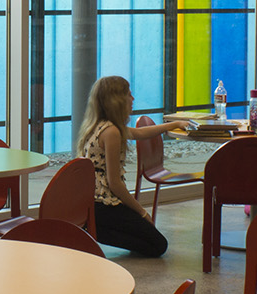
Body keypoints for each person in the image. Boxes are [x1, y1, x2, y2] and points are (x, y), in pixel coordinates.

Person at [75, 75, 190, 257]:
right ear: (117, 101)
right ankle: (94, 231)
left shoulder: (100, 125)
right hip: (103, 205)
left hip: (91, 202)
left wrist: (173, 125)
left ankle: (93, 227)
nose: (133, 99)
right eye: (129, 95)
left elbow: (140, 133)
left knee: (148, 236)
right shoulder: (112, 132)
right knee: (158, 245)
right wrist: (142, 212)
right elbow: (115, 184)